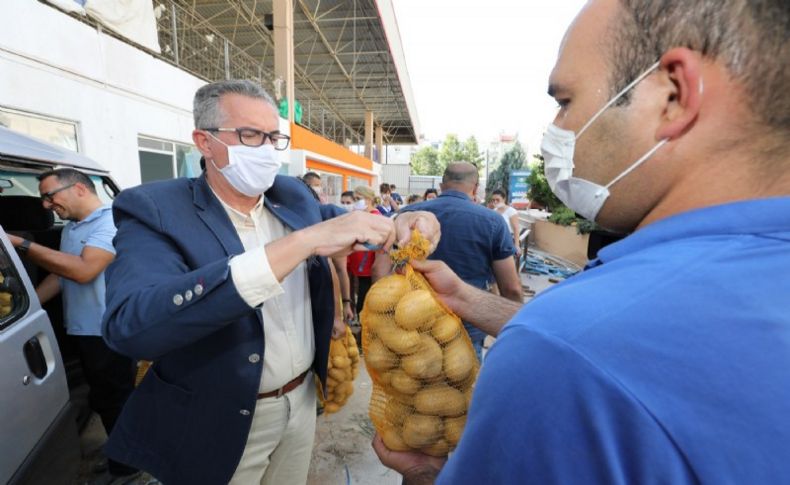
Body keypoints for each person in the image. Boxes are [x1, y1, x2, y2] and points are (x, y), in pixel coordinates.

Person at [373, 0, 790, 483]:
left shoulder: (565, 356)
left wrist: (426, 475)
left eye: (565, 101)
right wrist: (465, 298)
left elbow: (582, 346)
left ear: (673, 96)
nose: (556, 132)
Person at [100, 79, 439, 485]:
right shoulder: (155, 209)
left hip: (299, 404)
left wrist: (408, 220)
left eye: (273, 137)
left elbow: (355, 222)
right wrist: (302, 243)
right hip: (217, 417)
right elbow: (131, 328)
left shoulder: (291, 195)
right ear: (204, 142)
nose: (265, 150)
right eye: (249, 135)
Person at [8, 168, 140, 484]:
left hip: (107, 330)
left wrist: (20, 245)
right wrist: (27, 309)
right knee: (103, 397)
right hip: (83, 329)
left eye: (49, 196)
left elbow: (83, 271)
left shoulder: (111, 222)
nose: (45, 205)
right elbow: (61, 274)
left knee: (115, 400)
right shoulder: (73, 227)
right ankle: (121, 456)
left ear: (79, 189)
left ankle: (129, 469)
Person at [375, 162, 522, 361]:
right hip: (468, 327)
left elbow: (379, 270)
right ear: (475, 188)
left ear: (442, 186)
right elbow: (511, 289)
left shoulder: (407, 216)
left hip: (413, 325)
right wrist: (515, 328)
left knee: (414, 384)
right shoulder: (493, 221)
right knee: (461, 384)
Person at [347, 185, 382, 317]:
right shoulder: (363, 215)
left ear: (367, 199)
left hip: (366, 261)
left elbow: (375, 243)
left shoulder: (375, 216)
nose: (355, 202)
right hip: (358, 260)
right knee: (358, 289)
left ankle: (362, 320)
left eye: (358, 199)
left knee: (364, 291)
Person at [490, 189, 521, 259]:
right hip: (495, 241)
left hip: (507, 241)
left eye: (497, 199)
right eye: (493, 200)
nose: (495, 202)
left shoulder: (511, 211)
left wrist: (517, 245)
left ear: (504, 199)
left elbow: (516, 229)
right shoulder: (494, 211)